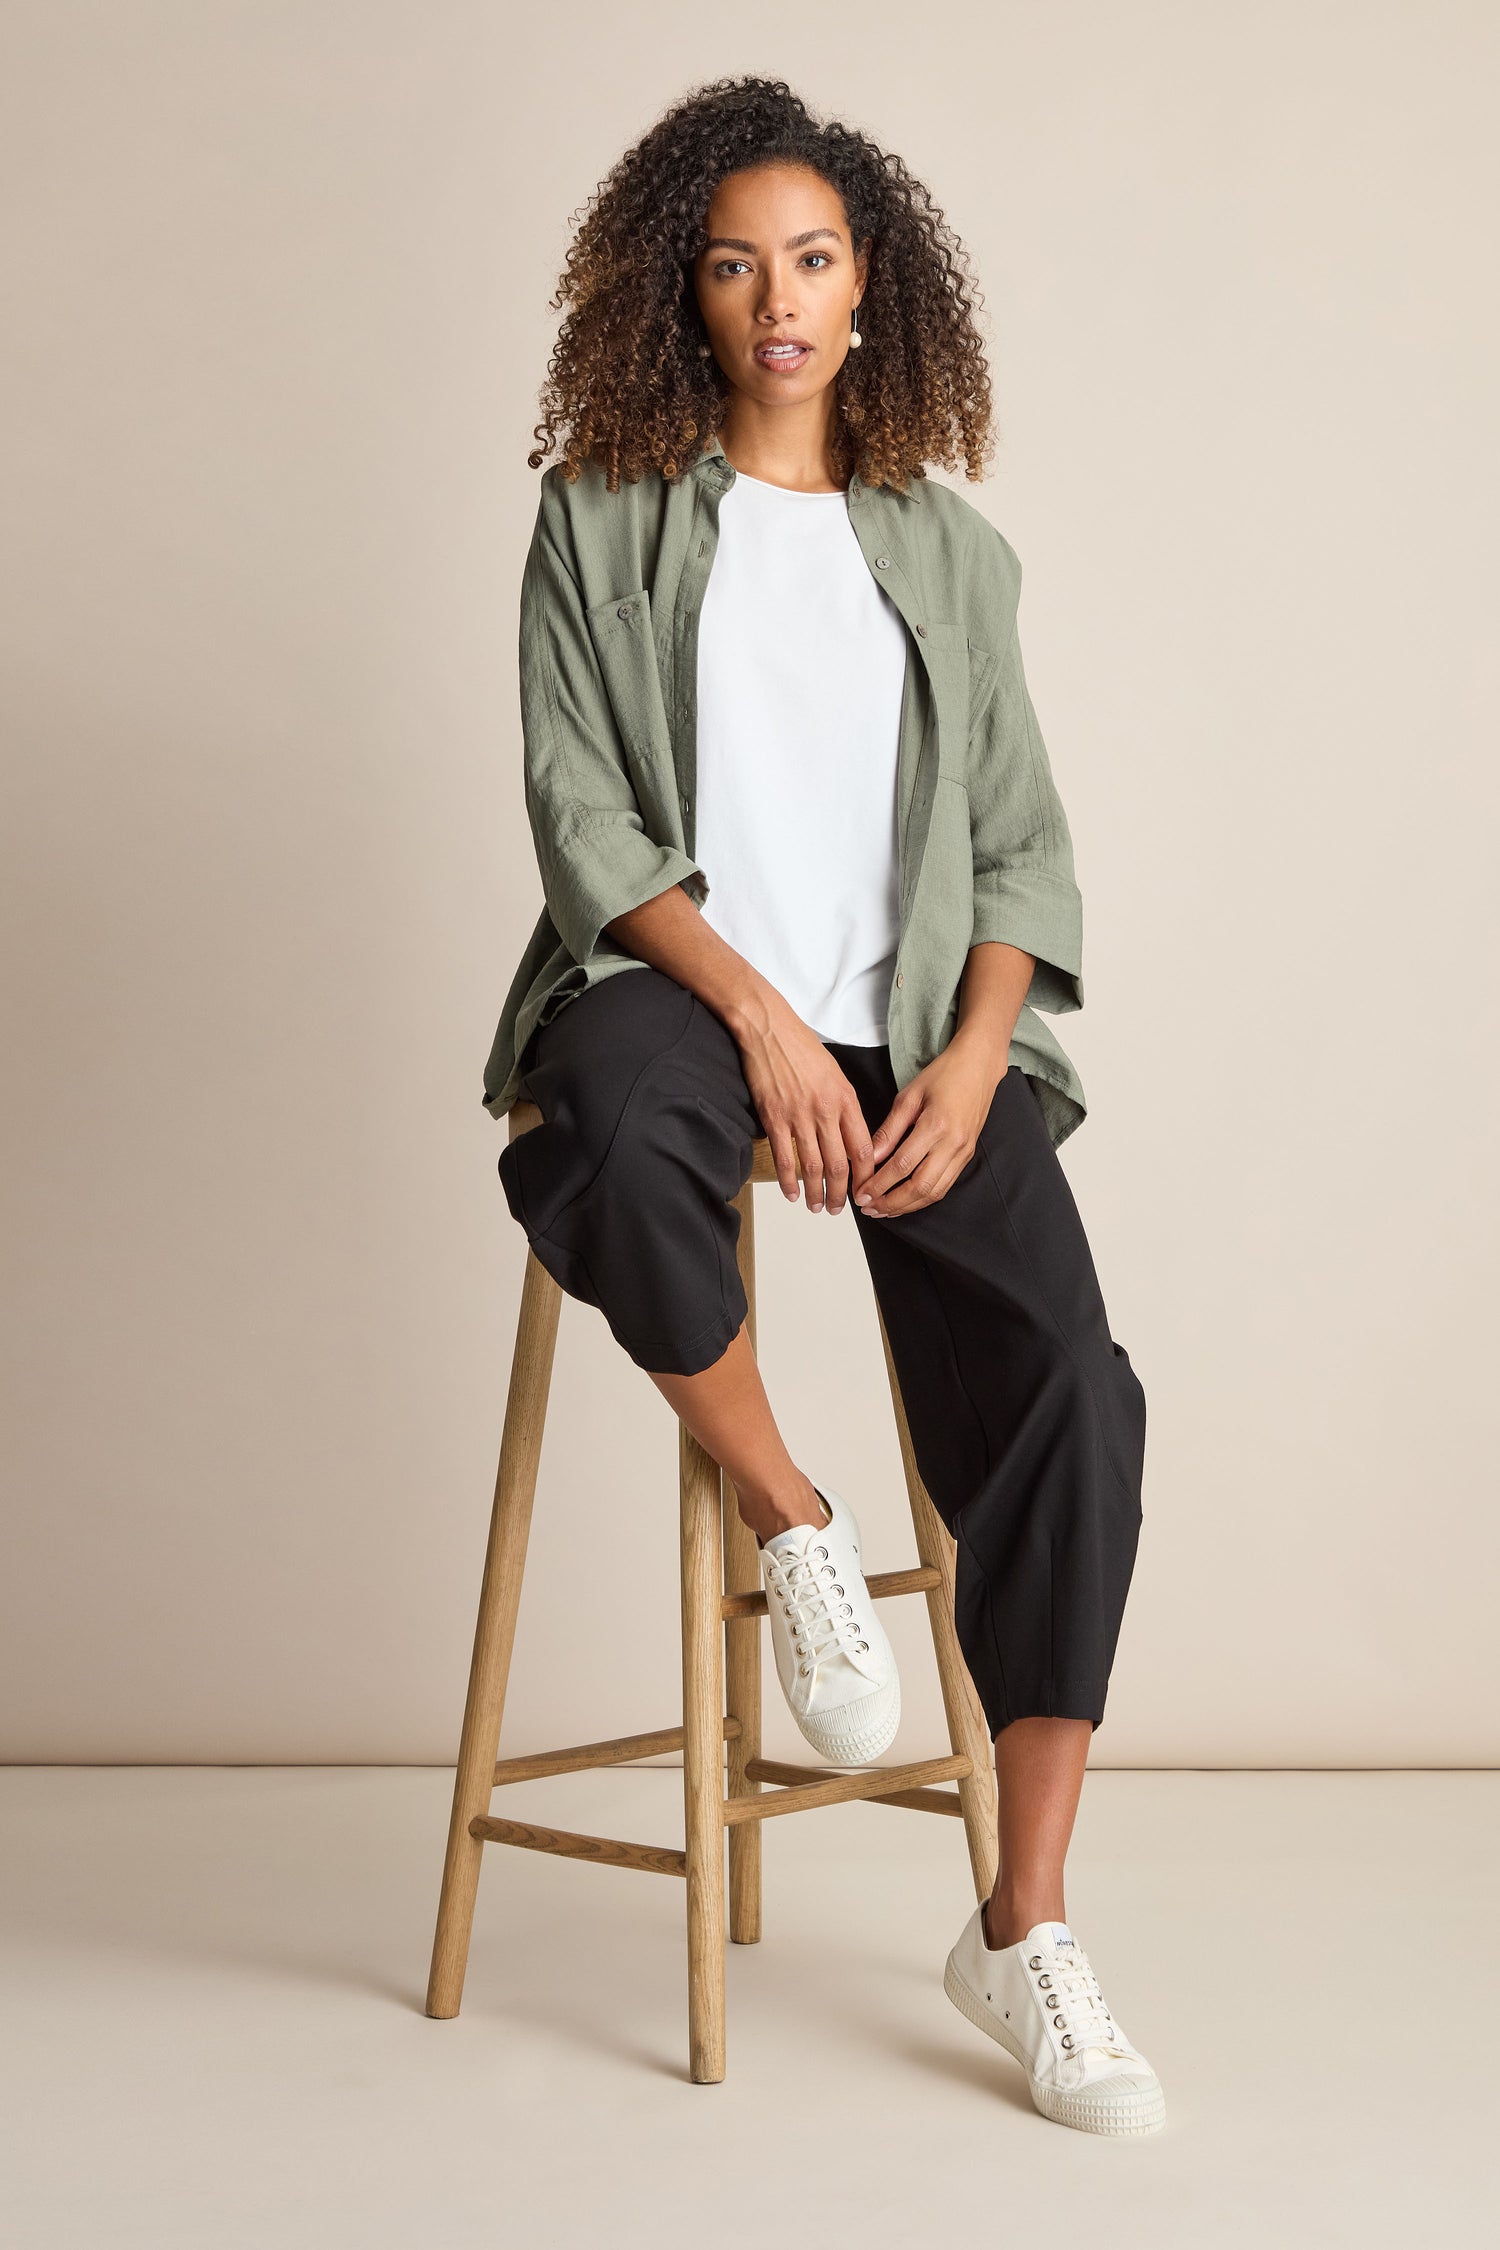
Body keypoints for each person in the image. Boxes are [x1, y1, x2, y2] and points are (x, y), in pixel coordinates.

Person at [482, 75, 1163, 2137]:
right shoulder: (602, 510)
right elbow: (582, 816)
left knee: (1073, 1387)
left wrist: (964, 1054)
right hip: (686, 992)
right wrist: (765, 1020)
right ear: (680, 294)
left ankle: (1026, 1925)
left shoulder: (950, 554)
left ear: (873, 290)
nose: (776, 297)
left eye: (813, 257)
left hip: (913, 1039)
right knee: (592, 1124)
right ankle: (795, 1515)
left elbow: (1025, 857)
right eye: (732, 262)